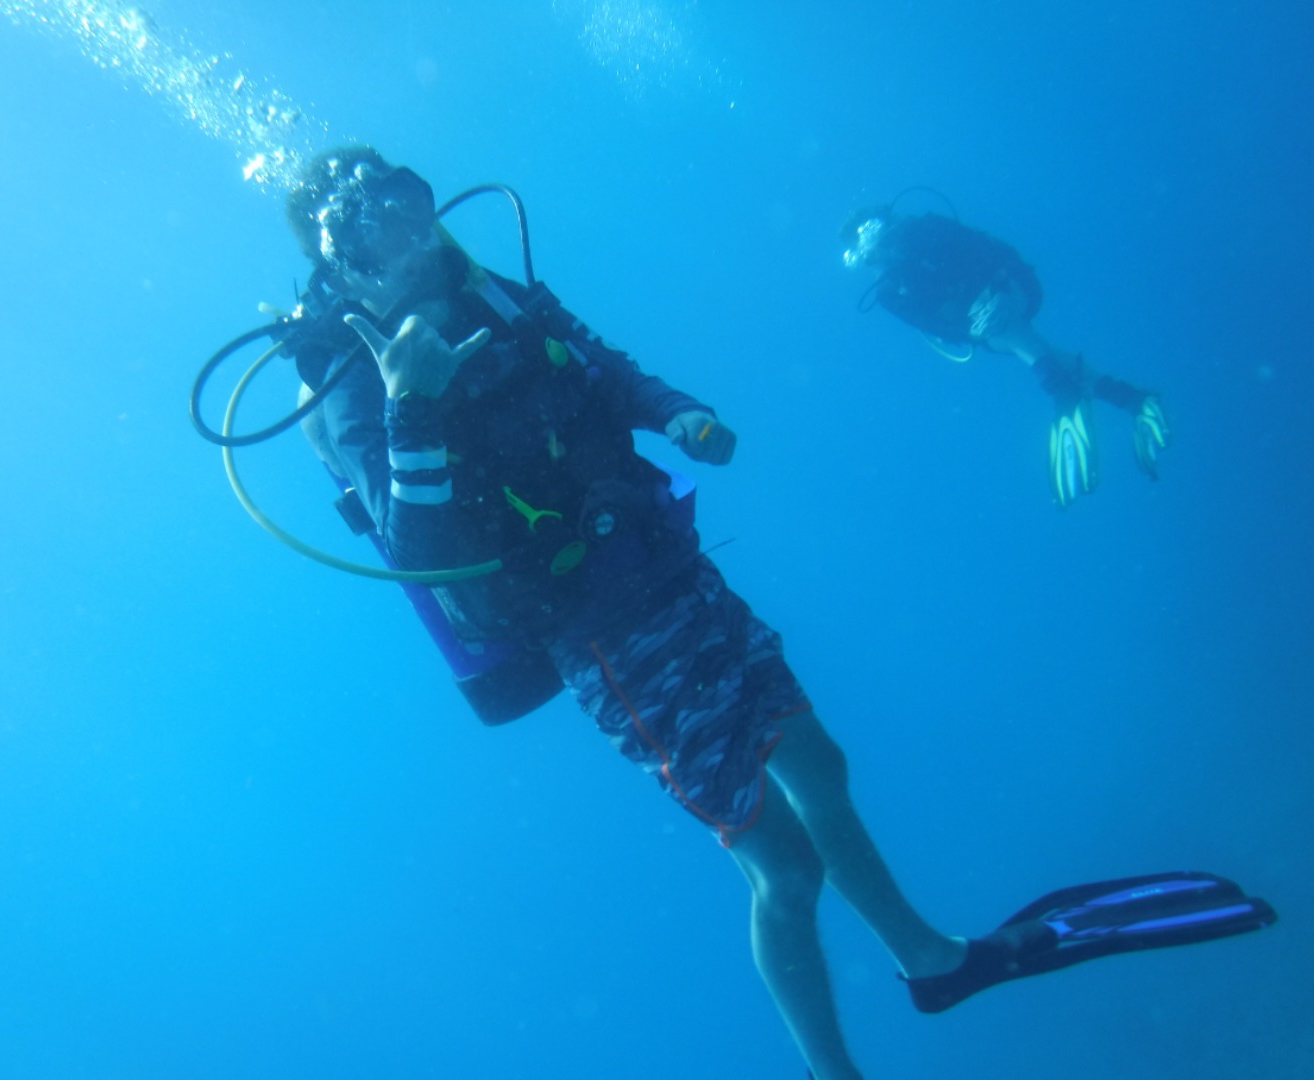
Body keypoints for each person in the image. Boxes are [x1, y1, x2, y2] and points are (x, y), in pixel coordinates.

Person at [257, 148, 1272, 1079]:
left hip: (667, 561)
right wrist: (410, 401)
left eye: (406, 198)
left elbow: (602, 367)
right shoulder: (350, 379)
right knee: (781, 864)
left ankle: (931, 960)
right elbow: (422, 558)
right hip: (598, 633)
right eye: (371, 225)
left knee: (817, 761)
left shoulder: (490, 288)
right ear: (341, 262)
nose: (406, 230)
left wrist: (679, 413)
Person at [840, 204, 1172, 508]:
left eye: (885, 240)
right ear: (865, 258)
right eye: (873, 254)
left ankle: (1064, 397)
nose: (885, 251)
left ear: (890, 225)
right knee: (1021, 338)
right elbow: (936, 327)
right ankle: (1131, 398)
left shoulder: (926, 228)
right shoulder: (889, 293)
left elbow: (989, 249)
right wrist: (972, 330)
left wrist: (998, 286)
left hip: (1014, 285)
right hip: (983, 328)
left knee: (1004, 325)